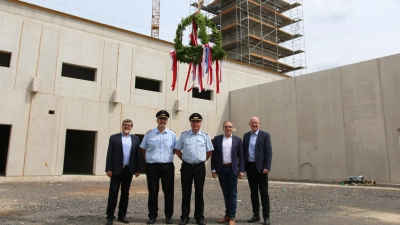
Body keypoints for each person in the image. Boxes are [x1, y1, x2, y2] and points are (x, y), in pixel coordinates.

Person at [174, 113, 214, 225]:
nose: (195, 124)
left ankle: (199, 217)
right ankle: (185, 217)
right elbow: (177, 149)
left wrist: (201, 160)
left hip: (200, 167)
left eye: (198, 122)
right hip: (186, 167)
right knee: (186, 192)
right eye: (193, 122)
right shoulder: (184, 135)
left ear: (200, 123)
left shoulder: (205, 136)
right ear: (190, 123)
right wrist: (185, 159)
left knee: (199, 193)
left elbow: (209, 151)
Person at [140, 110, 177, 224]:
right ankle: (152, 216)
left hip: (167, 166)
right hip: (152, 167)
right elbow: (143, 148)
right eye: (161, 119)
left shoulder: (172, 134)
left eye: (165, 119)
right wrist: (150, 158)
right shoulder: (149, 134)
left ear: (167, 121)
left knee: (169, 191)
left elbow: (176, 149)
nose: (163, 121)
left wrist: (167, 157)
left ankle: (168, 216)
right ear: (157, 120)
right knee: (153, 191)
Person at [105, 119, 141, 225]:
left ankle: (122, 215)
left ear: (132, 127)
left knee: (125, 194)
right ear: (122, 126)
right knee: (113, 193)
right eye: (125, 125)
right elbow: (109, 154)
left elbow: (136, 156)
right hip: (116, 170)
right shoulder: (114, 138)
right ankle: (110, 216)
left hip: (128, 170)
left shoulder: (135, 139)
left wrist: (137, 169)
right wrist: (108, 169)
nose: (127, 127)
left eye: (129, 125)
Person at [211, 121, 244, 225]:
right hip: (221, 169)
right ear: (223, 128)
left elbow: (241, 157)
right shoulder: (217, 139)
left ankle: (232, 217)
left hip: (233, 169)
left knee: (233, 193)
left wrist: (241, 170)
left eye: (230, 127)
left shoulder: (237, 140)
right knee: (226, 194)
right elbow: (214, 155)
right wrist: (213, 169)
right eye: (226, 127)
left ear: (232, 128)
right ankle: (227, 215)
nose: (228, 128)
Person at [243, 117, 272, 225]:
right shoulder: (246, 136)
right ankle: (256, 215)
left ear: (259, 124)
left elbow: (268, 152)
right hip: (250, 167)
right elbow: (244, 152)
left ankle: (266, 217)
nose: (254, 124)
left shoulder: (265, 135)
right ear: (249, 124)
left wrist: (267, 166)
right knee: (253, 192)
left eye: (256, 123)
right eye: (252, 123)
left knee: (264, 192)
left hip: (261, 168)